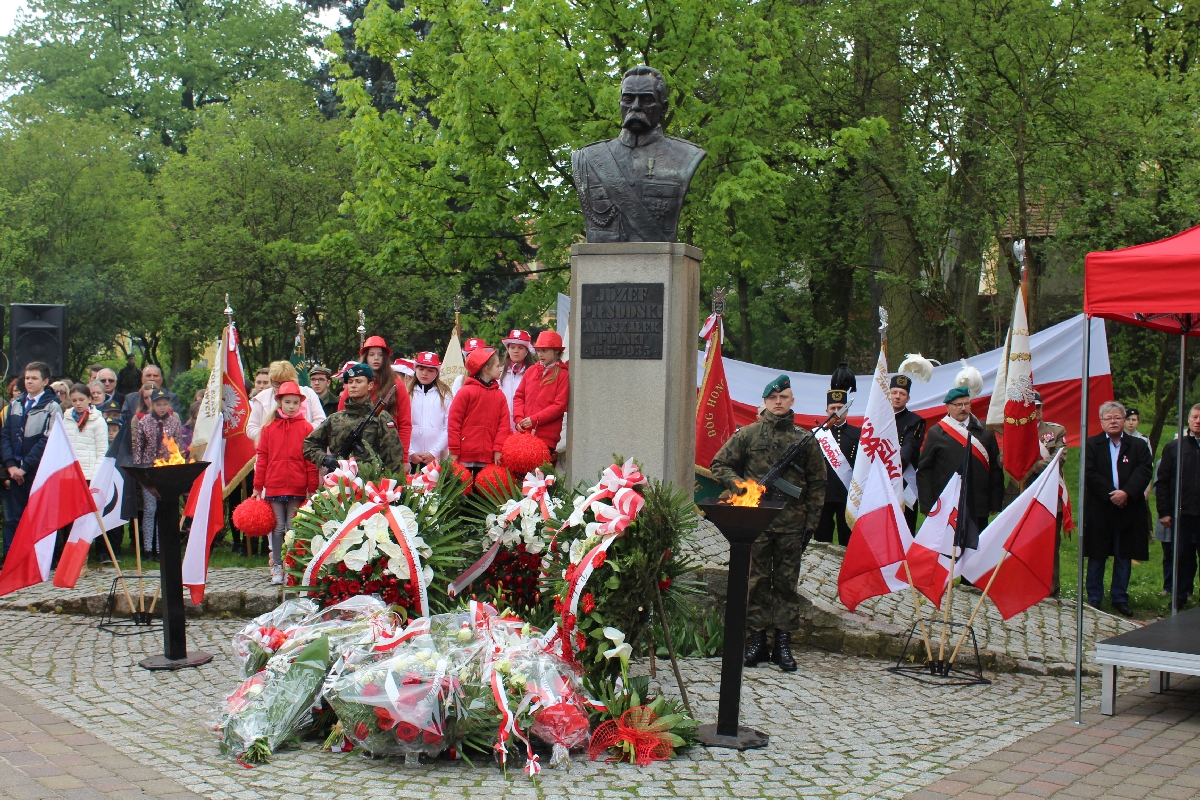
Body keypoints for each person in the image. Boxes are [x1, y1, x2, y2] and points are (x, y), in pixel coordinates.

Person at [711, 375, 825, 672]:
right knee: (757, 582)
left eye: (783, 397)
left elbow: (817, 483)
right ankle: (757, 640)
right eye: (773, 398)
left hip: (791, 523)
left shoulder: (804, 440)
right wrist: (743, 487)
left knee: (786, 584)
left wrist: (811, 523)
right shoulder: (748, 435)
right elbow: (719, 464)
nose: (778, 402)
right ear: (764, 402)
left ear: (792, 401)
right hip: (756, 522)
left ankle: (783, 643)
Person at [1084, 401, 1152, 616]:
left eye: (1117, 417)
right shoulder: (1092, 445)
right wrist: (1111, 494)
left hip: (1128, 508)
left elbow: (1144, 470)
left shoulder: (1138, 445)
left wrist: (1127, 493)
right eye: (1108, 418)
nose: (1113, 421)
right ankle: (1094, 596)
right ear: (1101, 422)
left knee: (1124, 554)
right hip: (1100, 507)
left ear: (1123, 420)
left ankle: (1120, 597)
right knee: (1097, 554)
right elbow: (1090, 473)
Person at [917, 384, 1004, 539]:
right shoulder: (936, 433)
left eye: (966, 404)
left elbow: (995, 469)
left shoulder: (985, 431)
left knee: (976, 546)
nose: (963, 408)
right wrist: (927, 504)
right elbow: (925, 470)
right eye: (958, 405)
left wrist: (995, 501)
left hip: (978, 501)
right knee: (947, 547)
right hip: (946, 503)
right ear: (948, 407)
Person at [253, 381, 317, 585]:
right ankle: (278, 566)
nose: (291, 406)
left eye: (295, 402)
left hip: (297, 485)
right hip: (274, 484)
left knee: (293, 526)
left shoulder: (306, 428)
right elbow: (262, 458)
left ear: (301, 404)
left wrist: (313, 488)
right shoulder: (269, 428)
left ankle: (293, 565)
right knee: (278, 526)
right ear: (279, 402)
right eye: (287, 402)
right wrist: (257, 486)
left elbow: (311, 461)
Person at [1, 362, 62, 559]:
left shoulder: (52, 407)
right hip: (15, 471)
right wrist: (11, 465)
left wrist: (25, 467)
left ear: (45, 381)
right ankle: (18, 558)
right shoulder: (16, 404)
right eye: (27, 378)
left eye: (34, 378)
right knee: (16, 517)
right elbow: (5, 435)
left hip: (37, 471)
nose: (29, 382)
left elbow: (47, 440)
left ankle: (38, 559)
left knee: (38, 516)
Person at [304, 363, 406, 473]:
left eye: (358, 381)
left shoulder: (381, 418)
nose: (353, 386)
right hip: (339, 480)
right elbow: (309, 444)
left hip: (371, 481)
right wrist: (324, 459)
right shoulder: (335, 419)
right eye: (350, 382)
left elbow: (394, 459)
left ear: (370, 385)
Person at [337, 336, 412, 462]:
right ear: (366, 357)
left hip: (389, 454)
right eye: (371, 354)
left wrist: (404, 459)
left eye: (380, 354)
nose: (376, 358)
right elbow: (339, 421)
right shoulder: (354, 385)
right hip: (357, 455)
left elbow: (405, 425)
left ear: (385, 357)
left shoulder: (396, 386)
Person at [1155, 403, 1200, 609]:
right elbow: (1163, 481)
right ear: (1188, 419)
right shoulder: (1175, 447)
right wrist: (1164, 511)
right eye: (1195, 417)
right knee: (1180, 556)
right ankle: (1178, 598)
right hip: (1181, 513)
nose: (1198, 421)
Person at [1028, 392, 1068, 595]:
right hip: (1021, 494)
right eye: (1032, 407)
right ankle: (1023, 584)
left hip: (1049, 495)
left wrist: (1032, 466)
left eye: (1038, 407)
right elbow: (1003, 458)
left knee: (1050, 544)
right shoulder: (1014, 431)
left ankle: (1049, 589)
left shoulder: (1055, 431)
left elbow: (1059, 457)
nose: (1036, 411)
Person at [447, 347, 510, 473]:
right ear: (487, 369)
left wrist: (498, 449)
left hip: (488, 457)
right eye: (497, 366)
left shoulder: (500, 396)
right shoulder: (465, 392)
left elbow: (504, 425)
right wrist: (454, 450)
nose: (500, 369)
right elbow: (454, 423)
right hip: (464, 457)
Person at [513, 331, 570, 462]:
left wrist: (535, 419)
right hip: (525, 434)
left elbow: (559, 405)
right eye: (538, 350)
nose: (540, 354)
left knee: (540, 473)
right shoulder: (531, 371)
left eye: (544, 350)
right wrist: (519, 419)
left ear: (556, 351)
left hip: (547, 438)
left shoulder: (562, 374)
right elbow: (519, 397)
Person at [813, 386, 859, 546]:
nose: (836, 411)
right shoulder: (817, 435)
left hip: (848, 495)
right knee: (821, 539)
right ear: (827, 411)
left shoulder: (858, 434)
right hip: (824, 494)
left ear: (847, 410)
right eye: (833, 408)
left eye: (840, 408)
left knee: (848, 540)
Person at [246, 361, 326, 441]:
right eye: (276, 383)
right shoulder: (261, 398)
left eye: (285, 383)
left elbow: (321, 422)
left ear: (294, 380)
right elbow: (251, 429)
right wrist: (272, 435)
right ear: (271, 382)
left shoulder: (308, 394)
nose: (281, 387)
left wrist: (300, 432)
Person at [890, 373, 926, 533]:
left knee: (905, 529)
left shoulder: (915, 421)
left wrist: (891, 469)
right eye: (894, 392)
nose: (897, 396)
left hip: (904, 481)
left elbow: (909, 448)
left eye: (902, 394)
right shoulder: (877, 419)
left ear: (908, 398)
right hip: (879, 480)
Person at [407, 352, 452, 470]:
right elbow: (401, 426)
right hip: (411, 458)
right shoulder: (407, 394)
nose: (424, 373)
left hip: (437, 459)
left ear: (437, 372)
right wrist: (410, 452)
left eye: (430, 370)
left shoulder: (445, 395)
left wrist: (434, 453)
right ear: (415, 369)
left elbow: (449, 427)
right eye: (421, 369)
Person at [62, 384, 107, 482]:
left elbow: (102, 452)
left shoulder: (98, 421)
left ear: (89, 399)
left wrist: (96, 477)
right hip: (68, 474)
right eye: (74, 400)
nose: (78, 403)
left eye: (81, 400)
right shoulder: (66, 420)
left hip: (88, 475)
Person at [498, 330, 536, 430]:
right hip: (502, 424)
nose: (516, 351)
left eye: (520, 348)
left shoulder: (534, 373)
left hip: (525, 424)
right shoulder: (499, 372)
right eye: (512, 347)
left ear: (527, 351)